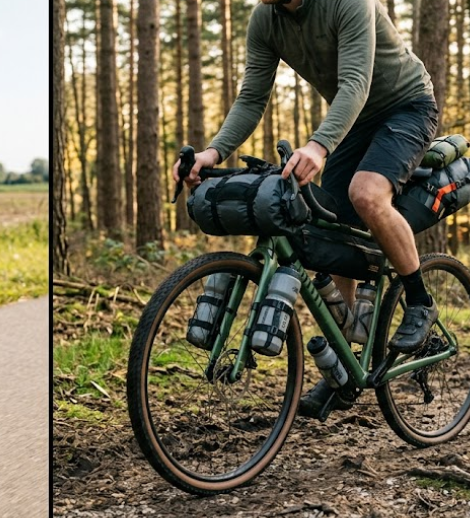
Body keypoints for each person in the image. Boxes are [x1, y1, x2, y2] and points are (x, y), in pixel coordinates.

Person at [173, 0, 439, 416]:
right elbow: (251, 97)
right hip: (355, 120)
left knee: (366, 195)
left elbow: (354, 82)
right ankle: (345, 366)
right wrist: (213, 151)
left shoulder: (348, 3)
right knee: (332, 228)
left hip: (406, 105)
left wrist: (318, 146)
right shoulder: (266, 20)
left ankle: (420, 300)